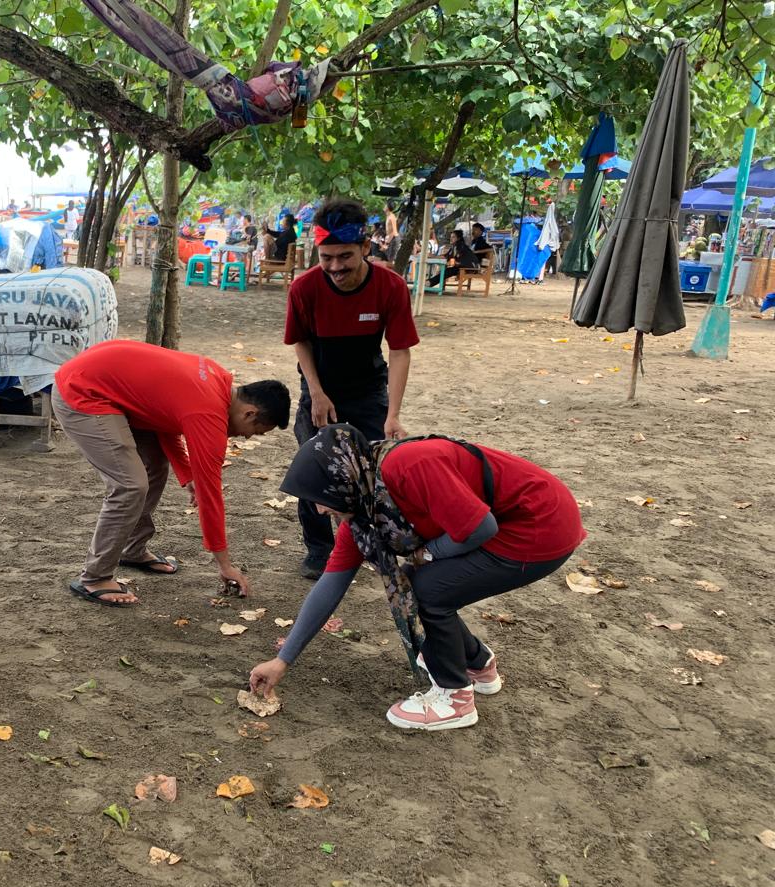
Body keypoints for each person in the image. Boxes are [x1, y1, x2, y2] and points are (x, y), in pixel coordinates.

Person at [249, 425, 585, 731]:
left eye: (321, 499)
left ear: (342, 478)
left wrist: (429, 553)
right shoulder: (363, 507)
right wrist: (283, 660)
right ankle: (478, 664)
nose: (320, 511)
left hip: (539, 524)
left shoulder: (407, 465)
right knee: (417, 584)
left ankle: (454, 698)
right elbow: (331, 583)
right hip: (513, 522)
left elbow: (481, 528)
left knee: (425, 588)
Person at [53, 340, 290, 607]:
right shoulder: (209, 412)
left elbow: (164, 418)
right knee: (130, 485)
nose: (246, 437)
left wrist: (187, 474)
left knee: (154, 467)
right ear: (249, 413)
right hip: (82, 391)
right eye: (255, 432)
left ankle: (132, 549)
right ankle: (95, 578)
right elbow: (210, 496)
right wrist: (225, 565)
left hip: (103, 383)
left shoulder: (217, 380)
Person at [285, 197, 418, 580]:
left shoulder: (390, 287)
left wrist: (393, 413)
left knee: (374, 470)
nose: (335, 267)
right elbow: (300, 342)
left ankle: (371, 542)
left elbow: (399, 351)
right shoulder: (305, 288)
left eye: (345, 256)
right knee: (315, 470)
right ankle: (319, 549)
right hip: (320, 386)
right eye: (326, 257)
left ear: (365, 247)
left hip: (368, 388)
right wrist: (316, 392)